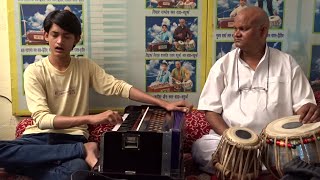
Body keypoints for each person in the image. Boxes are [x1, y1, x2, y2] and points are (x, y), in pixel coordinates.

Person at [0, 10, 193, 180]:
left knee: (76, 171)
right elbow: (42, 120)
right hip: (38, 139)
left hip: (72, 137)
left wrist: (163, 103)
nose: (60, 41)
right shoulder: (34, 71)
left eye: (66, 36)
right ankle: (82, 151)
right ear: (46, 36)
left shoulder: (84, 66)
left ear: (76, 39)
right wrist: (93, 119)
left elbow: (119, 87)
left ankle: (33, 160)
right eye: (55, 34)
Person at [192, 6, 320, 174]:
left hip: (276, 146)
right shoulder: (223, 65)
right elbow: (210, 109)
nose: (236, 34)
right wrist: (233, 140)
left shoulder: (286, 63)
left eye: (243, 29)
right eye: (235, 29)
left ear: (263, 31)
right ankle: (271, 169)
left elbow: (303, 106)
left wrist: (309, 111)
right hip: (233, 143)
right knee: (201, 147)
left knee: (305, 151)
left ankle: (246, 168)